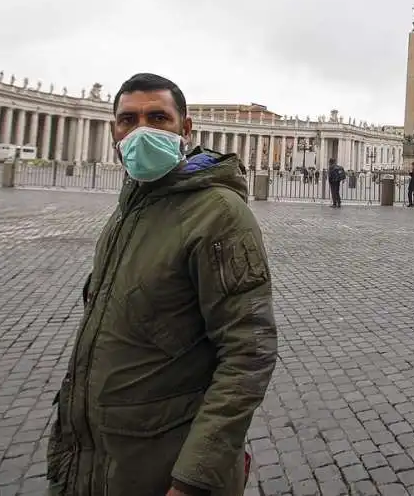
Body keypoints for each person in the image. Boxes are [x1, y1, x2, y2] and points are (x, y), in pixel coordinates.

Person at [46, 73, 278, 496]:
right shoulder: (131, 206)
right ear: (114, 131)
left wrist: (192, 480)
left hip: (165, 464)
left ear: (185, 129)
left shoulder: (219, 214)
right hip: (100, 458)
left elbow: (249, 352)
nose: (141, 131)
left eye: (157, 117)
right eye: (128, 120)